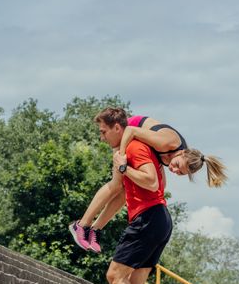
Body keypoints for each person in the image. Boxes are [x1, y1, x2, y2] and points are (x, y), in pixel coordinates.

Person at [94, 108, 185, 284]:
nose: (101, 138)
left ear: (117, 128)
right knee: (135, 283)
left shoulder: (133, 148)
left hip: (149, 219)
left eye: (103, 132)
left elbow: (151, 180)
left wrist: (122, 166)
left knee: (115, 277)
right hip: (157, 219)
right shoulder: (143, 148)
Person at [68, 107, 227, 253]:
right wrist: (121, 158)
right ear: (182, 152)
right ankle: (81, 225)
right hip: (127, 131)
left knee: (132, 190)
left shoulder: (175, 156)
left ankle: (95, 230)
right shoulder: (167, 142)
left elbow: (158, 186)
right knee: (117, 184)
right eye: (177, 165)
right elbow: (130, 131)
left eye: (179, 173)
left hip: (138, 140)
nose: (174, 169)